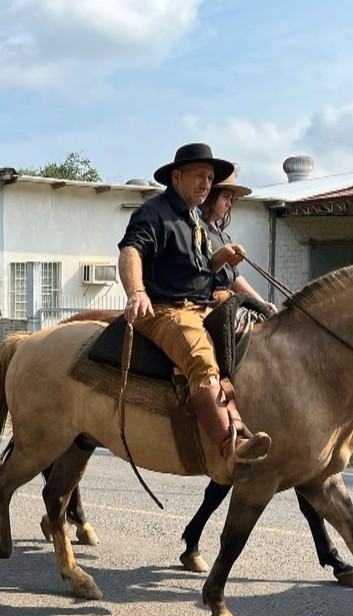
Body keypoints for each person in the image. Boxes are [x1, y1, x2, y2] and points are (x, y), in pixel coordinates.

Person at [119, 143, 271, 473]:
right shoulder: (153, 213)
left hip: (200, 306)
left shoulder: (195, 219)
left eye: (210, 177)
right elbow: (131, 251)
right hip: (163, 310)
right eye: (199, 176)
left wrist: (221, 258)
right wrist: (136, 291)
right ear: (176, 177)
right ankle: (232, 450)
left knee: (246, 341)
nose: (206, 184)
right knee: (202, 360)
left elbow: (195, 272)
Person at [200, 171, 277, 312]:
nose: (229, 204)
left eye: (231, 199)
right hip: (207, 302)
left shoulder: (224, 237)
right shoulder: (197, 230)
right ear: (211, 195)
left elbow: (234, 277)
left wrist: (261, 303)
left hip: (228, 299)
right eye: (225, 197)